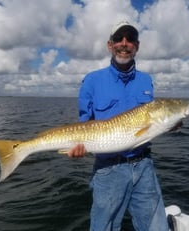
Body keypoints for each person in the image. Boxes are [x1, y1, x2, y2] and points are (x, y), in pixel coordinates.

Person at [68, 21, 169, 231]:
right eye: (119, 39)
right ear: (110, 44)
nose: (124, 43)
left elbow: (153, 122)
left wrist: (171, 123)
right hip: (108, 168)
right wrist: (79, 147)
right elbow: (85, 123)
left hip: (144, 166)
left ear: (137, 46)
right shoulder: (92, 81)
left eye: (130, 39)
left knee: (156, 227)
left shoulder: (146, 80)